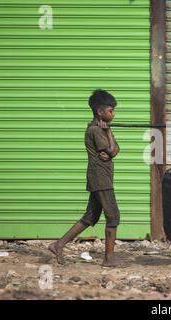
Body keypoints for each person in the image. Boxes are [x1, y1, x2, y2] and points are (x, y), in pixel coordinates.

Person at [48, 89, 121, 267]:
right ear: (100, 112)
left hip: (101, 177)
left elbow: (115, 150)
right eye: (111, 111)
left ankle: (58, 244)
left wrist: (111, 144)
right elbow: (112, 150)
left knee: (90, 216)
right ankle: (109, 259)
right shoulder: (96, 130)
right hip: (100, 178)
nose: (113, 114)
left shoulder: (101, 129)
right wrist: (110, 139)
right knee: (113, 216)